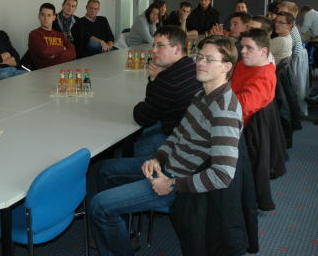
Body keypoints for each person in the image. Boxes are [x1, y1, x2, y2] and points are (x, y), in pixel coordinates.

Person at [90, 36, 241, 256]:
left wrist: (171, 185)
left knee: (99, 205)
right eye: (199, 57)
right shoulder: (202, 94)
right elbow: (178, 133)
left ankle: (113, 237)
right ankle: (117, 233)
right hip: (167, 166)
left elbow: (223, 175)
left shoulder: (224, 111)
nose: (200, 63)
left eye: (209, 59)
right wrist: (158, 158)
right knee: (103, 170)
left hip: (177, 183)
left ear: (226, 67)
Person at [131, 26, 201, 157]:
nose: (153, 50)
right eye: (154, 45)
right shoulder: (193, 66)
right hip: (193, 132)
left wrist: (154, 80)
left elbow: (143, 117)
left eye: (160, 46)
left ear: (177, 49)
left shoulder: (167, 81)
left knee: (107, 165)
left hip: (175, 140)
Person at [230, 29, 276, 126]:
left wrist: (216, 97)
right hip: (228, 106)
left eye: (249, 48)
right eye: (242, 46)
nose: (242, 51)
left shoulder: (264, 78)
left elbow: (241, 106)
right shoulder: (244, 63)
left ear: (263, 52)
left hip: (234, 122)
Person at [27, 3, 76, 69]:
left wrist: (54, 55)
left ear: (54, 17)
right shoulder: (34, 34)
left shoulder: (60, 35)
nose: (45, 18)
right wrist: (63, 48)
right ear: (39, 16)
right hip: (44, 72)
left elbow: (73, 53)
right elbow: (44, 51)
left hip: (62, 69)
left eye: (49, 15)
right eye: (43, 15)